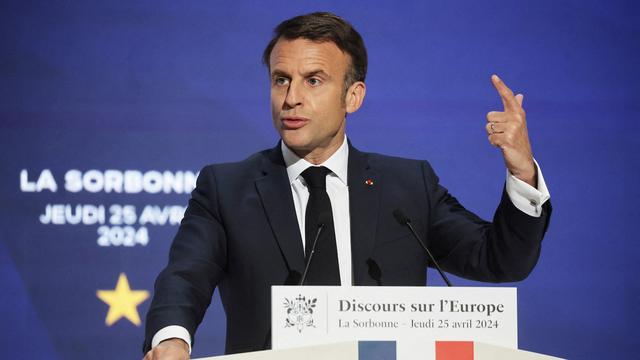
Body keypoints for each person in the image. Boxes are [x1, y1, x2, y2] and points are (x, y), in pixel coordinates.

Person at [143, 12, 551, 360]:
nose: (291, 98)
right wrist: (172, 338)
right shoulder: (226, 188)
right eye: (281, 80)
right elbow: (185, 276)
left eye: (314, 80)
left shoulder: (407, 187)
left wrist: (522, 172)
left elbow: (501, 260)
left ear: (352, 96)